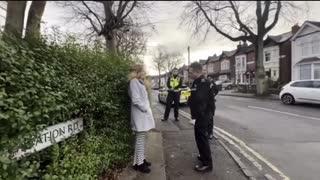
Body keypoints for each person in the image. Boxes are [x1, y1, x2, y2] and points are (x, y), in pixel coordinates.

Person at [188, 62, 216, 172]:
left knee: (202, 138)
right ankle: (203, 156)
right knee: (199, 137)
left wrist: (197, 116)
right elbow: (194, 96)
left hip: (203, 115)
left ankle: (207, 164)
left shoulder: (204, 83)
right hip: (199, 115)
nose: (190, 74)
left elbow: (200, 100)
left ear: (198, 71)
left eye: (191, 72)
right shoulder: (196, 81)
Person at [128, 64, 155, 173]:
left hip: (142, 115)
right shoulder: (134, 82)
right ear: (137, 71)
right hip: (140, 115)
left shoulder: (139, 82)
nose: (144, 73)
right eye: (143, 71)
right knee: (140, 140)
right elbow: (136, 99)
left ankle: (139, 161)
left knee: (142, 139)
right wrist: (145, 109)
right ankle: (140, 165)